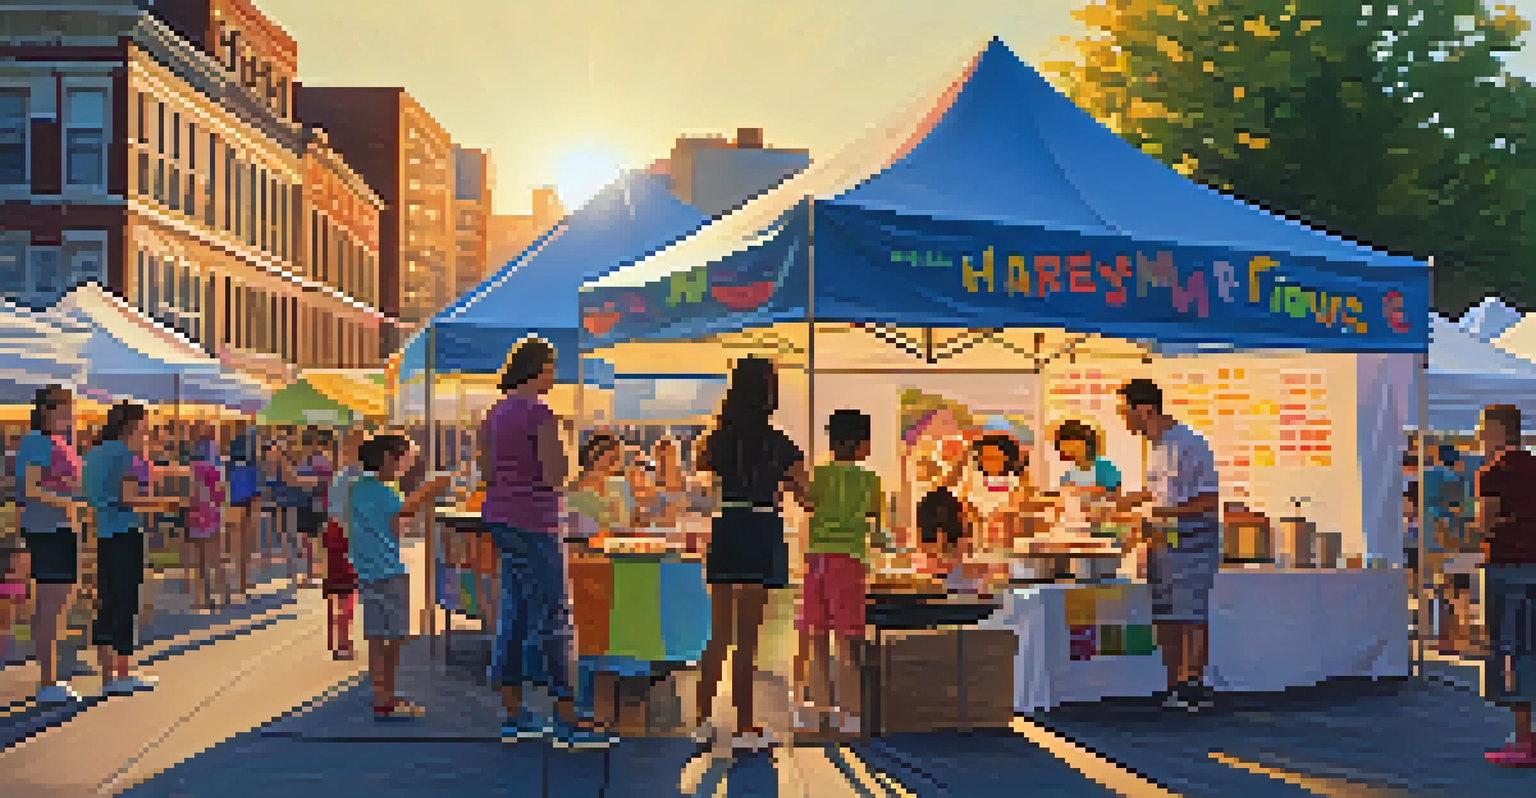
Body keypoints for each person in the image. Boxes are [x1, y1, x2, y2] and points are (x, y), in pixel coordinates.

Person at [479, 338, 612, 750]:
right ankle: (567, 718)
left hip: (501, 517)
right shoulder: (540, 413)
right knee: (555, 617)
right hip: (535, 521)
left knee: (514, 613)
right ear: (536, 369)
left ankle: (514, 713)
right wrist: (565, 456)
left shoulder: (494, 414)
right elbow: (556, 475)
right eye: (552, 368)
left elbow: (485, 470)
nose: (555, 376)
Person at [693, 355, 810, 752]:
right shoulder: (780, 444)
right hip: (761, 528)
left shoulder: (717, 439)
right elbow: (807, 496)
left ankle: (702, 720)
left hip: (727, 525)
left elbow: (702, 466)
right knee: (748, 639)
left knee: (718, 634)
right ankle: (745, 726)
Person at [1115, 378, 1220, 713]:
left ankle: (1194, 685)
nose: (1123, 419)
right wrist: (1126, 501)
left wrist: (1159, 511)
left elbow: (1208, 501)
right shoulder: (1156, 446)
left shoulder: (1189, 444)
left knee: (1190, 612)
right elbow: (1157, 492)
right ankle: (1175, 683)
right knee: (1165, 612)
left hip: (1191, 536)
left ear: (1145, 410)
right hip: (1161, 537)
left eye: (1124, 411)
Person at [349, 432, 448, 719]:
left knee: (378, 638)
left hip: (368, 571)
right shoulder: (383, 491)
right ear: (387, 459)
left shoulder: (359, 488)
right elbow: (405, 512)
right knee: (393, 638)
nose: (405, 466)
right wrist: (428, 490)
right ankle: (386, 697)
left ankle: (382, 694)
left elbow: (393, 523)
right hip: (388, 571)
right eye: (402, 459)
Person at [794, 410, 880, 737]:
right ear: (860, 445)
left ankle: (818, 711)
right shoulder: (871, 481)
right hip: (850, 562)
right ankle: (851, 715)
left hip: (817, 559)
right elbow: (874, 515)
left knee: (817, 638)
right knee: (848, 642)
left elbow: (807, 502)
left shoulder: (820, 476)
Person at [84, 401, 178, 696]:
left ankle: (107, 674)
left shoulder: (95, 454)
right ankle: (122, 673)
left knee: (107, 600)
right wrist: (167, 503)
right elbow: (128, 497)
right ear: (132, 426)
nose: (147, 433)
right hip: (124, 533)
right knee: (126, 600)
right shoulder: (125, 455)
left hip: (102, 532)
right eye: (144, 427)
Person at [1475, 404, 1536, 767]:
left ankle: (1524, 738)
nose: (1480, 434)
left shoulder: (1494, 472)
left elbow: (1486, 524)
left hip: (1509, 568)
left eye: (1483, 428)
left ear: (1498, 431)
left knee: (1512, 651)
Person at [18, 386, 85, 705]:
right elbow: (31, 488)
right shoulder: (37, 441)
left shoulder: (60, 442)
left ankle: (48, 676)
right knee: (51, 606)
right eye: (65, 409)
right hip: (49, 529)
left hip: (60, 528)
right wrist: (69, 502)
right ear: (48, 410)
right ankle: (48, 681)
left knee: (56, 604)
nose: (71, 415)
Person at [324, 428, 367, 661]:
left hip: (340, 536)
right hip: (349, 538)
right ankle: (344, 641)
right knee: (349, 594)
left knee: (344, 594)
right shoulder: (358, 479)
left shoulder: (341, 478)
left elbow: (332, 512)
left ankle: (342, 641)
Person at [187, 434, 225, 609]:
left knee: (200, 558)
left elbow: (192, 489)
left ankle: (203, 597)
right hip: (214, 512)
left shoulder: (194, 468)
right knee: (215, 555)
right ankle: (222, 594)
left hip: (197, 512)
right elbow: (221, 493)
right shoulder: (217, 468)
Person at [225, 425, 261, 595]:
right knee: (246, 538)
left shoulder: (233, 458)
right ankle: (243, 579)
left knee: (238, 537)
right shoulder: (252, 456)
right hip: (248, 488)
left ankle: (240, 579)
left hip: (236, 491)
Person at [1054, 419, 1122, 492]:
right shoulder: (1068, 476)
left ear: (1087, 445)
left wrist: (1080, 491)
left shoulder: (1106, 469)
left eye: (1074, 449)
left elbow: (1114, 494)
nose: (1069, 453)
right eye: (1066, 450)